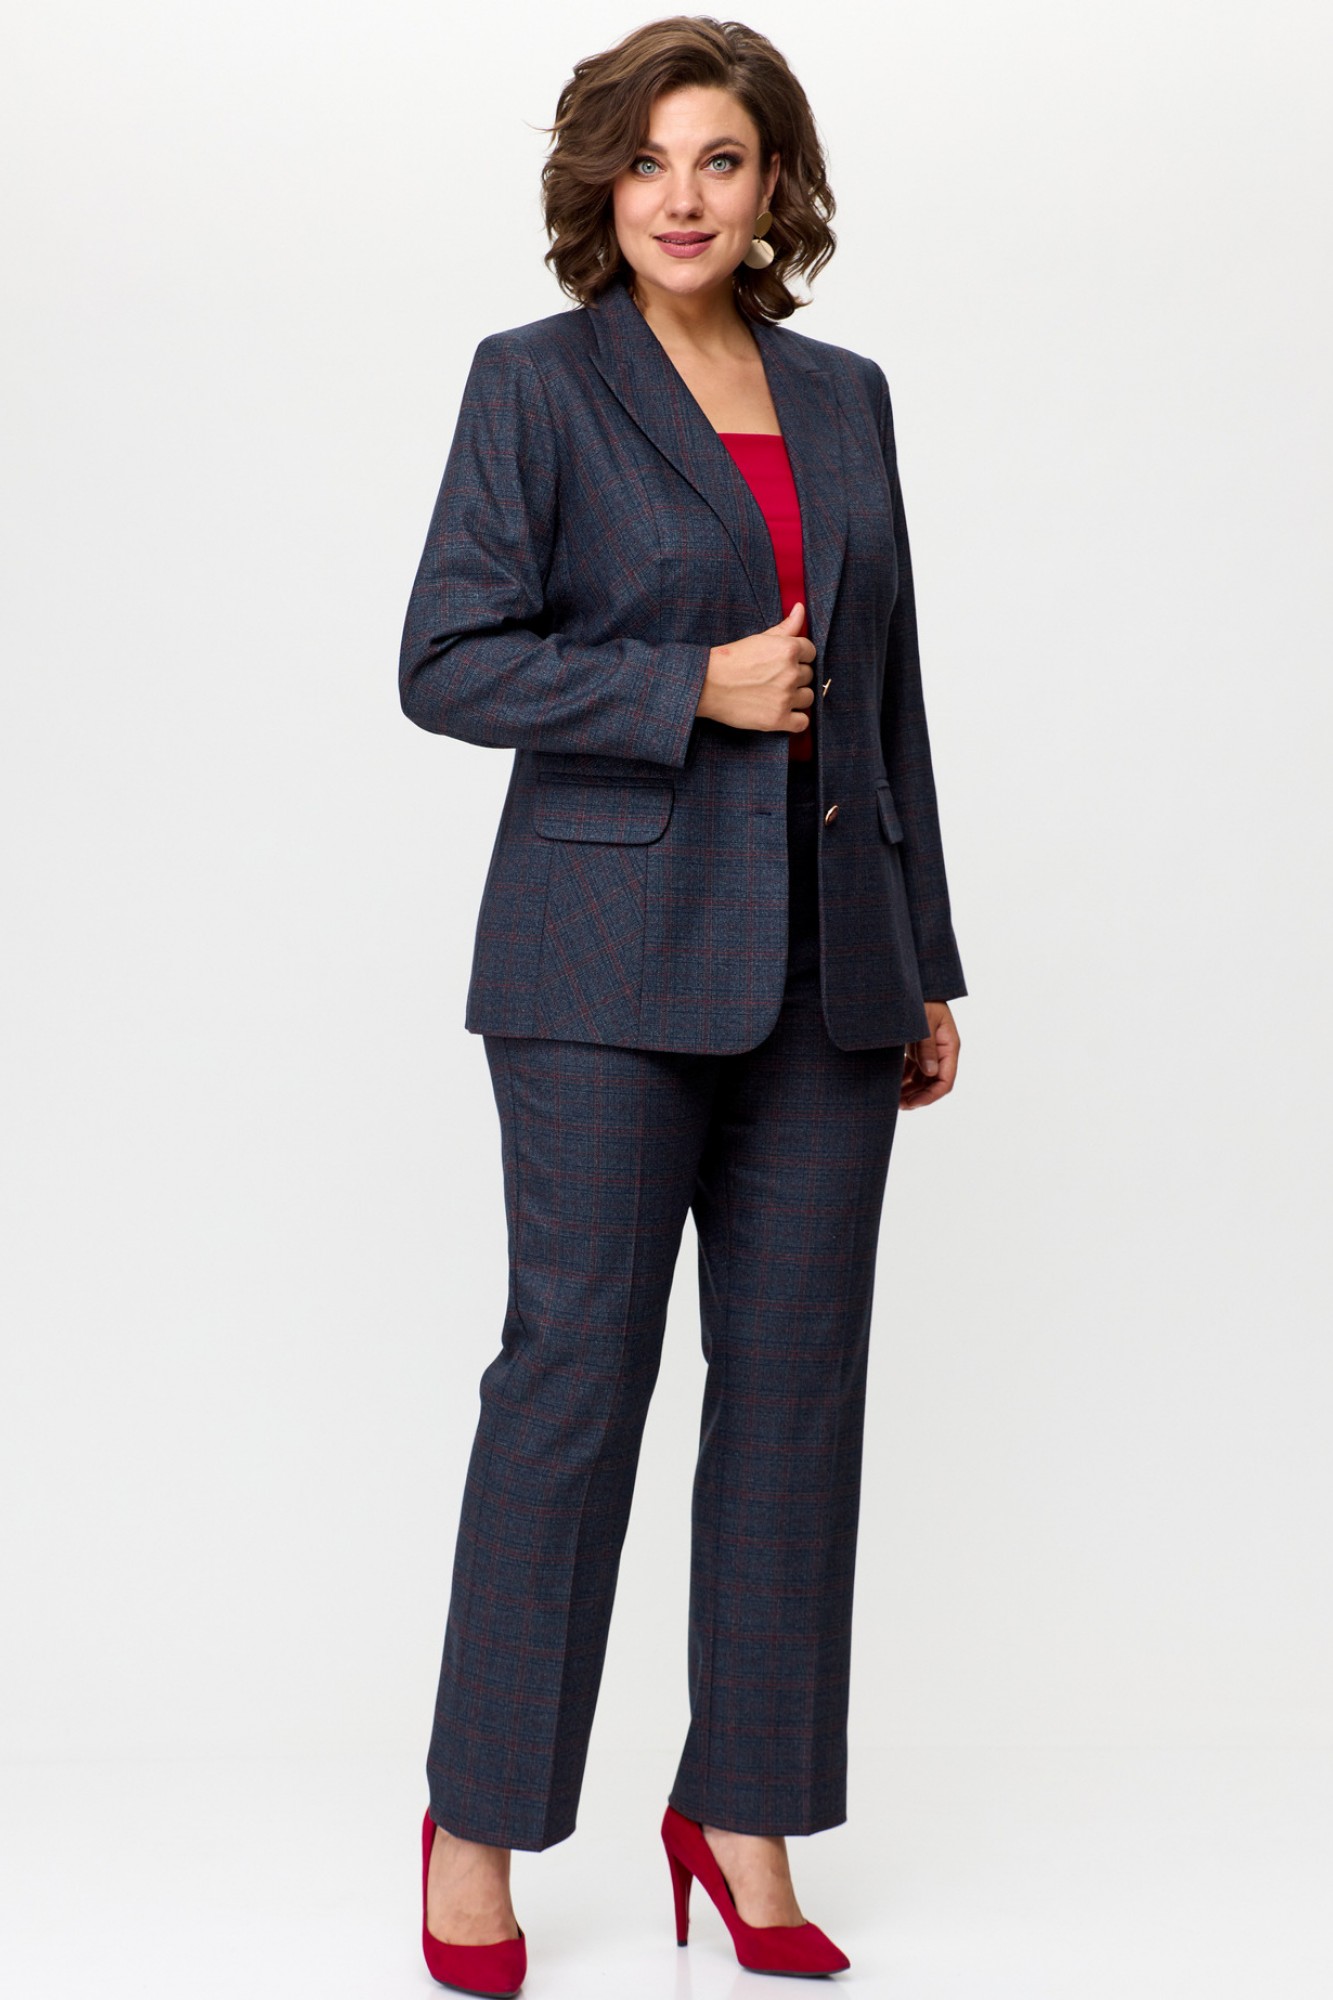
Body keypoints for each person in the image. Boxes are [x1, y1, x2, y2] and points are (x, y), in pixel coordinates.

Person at [397, 17, 966, 1994]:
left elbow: (886, 695)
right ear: (600, 185)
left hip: (830, 966)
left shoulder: (844, 396)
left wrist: (925, 955)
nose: (682, 196)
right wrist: (685, 689)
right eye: (648, 162)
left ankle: (741, 1811)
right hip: (599, 967)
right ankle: (477, 1826)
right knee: (570, 1388)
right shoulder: (534, 384)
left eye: (720, 159)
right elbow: (447, 659)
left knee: (797, 1397)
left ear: (771, 182)